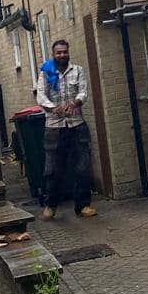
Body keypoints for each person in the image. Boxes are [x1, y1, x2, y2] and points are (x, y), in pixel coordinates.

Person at [36, 38, 95, 220]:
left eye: (64, 52)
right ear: (53, 55)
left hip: (76, 125)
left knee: (82, 167)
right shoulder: (46, 72)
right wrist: (54, 108)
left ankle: (83, 205)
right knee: (53, 169)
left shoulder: (77, 70)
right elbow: (40, 96)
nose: (62, 55)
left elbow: (83, 92)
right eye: (58, 52)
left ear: (68, 52)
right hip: (54, 127)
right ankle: (50, 206)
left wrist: (74, 102)